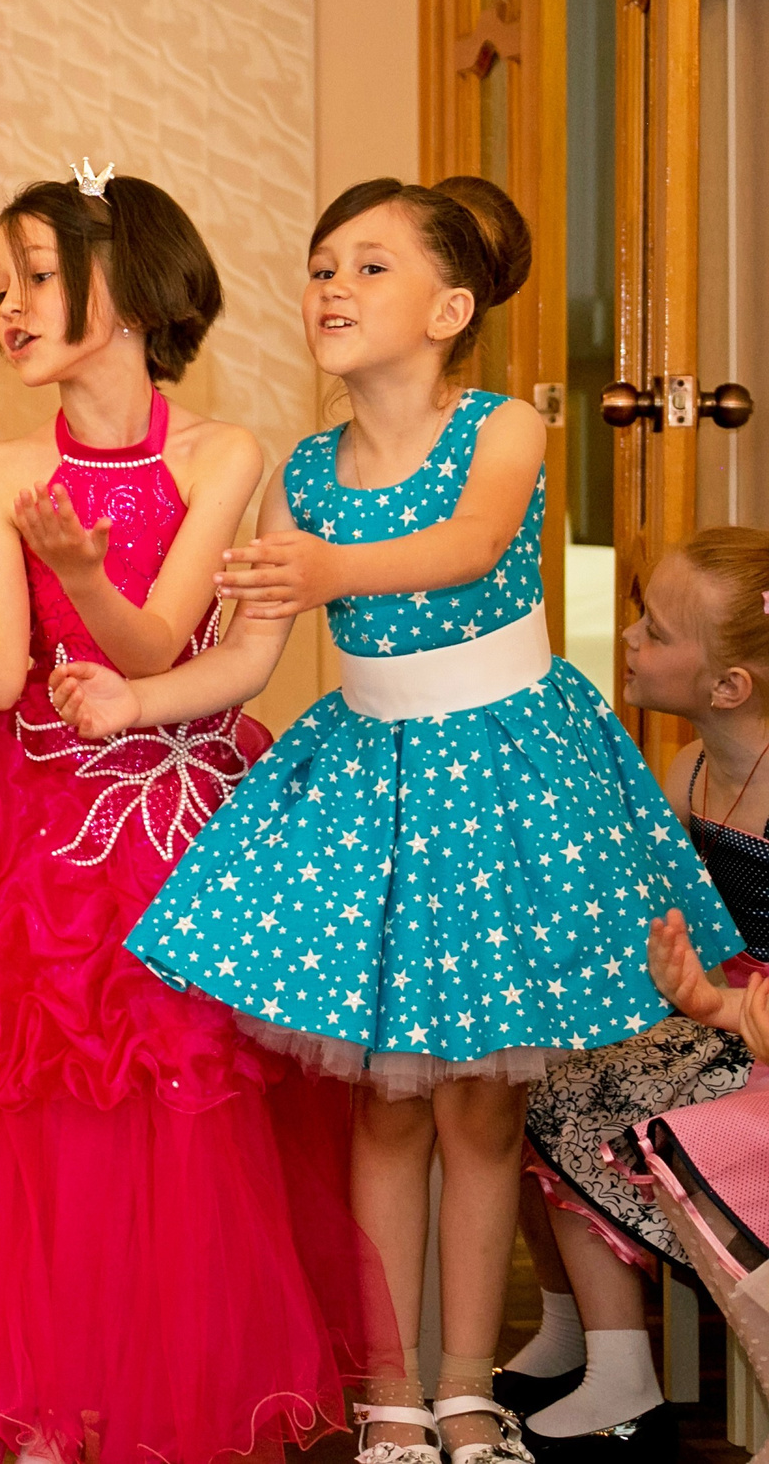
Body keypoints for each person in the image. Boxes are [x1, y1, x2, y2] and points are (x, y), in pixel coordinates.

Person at [60, 176, 741, 1464]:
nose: (331, 286)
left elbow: (471, 550)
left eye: (368, 268)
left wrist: (330, 571)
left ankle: (466, 1386)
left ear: (447, 306)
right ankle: (387, 1393)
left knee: (482, 1109)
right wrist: (134, 687)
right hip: (372, 786)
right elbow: (247, 655)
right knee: (383, 1107)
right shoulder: (304, 471)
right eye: (322, 265)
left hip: (508, 784)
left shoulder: (503, 431)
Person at [0, 171, 369, 1464]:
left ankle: (142, 1394)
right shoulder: (7, 466)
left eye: (36, 275)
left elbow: (178, 643)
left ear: (131, 282)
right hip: (30, 821)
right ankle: (30, 1403)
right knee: (15, 1114)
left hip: (176, 818)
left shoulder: (225, 453)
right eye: (0, 282)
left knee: (165, 1113)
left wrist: (96, 587)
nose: (9, 303)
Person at [500, 527, 769, 1461]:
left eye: (653, 630)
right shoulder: (687, 772)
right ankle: (582, 1332)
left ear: (727, 685)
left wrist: (715, 1005)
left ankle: (625, 1375)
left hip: (756, 1030)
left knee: (591, 1091)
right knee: (535, 1067)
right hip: (707, 1009)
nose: (628, 640)